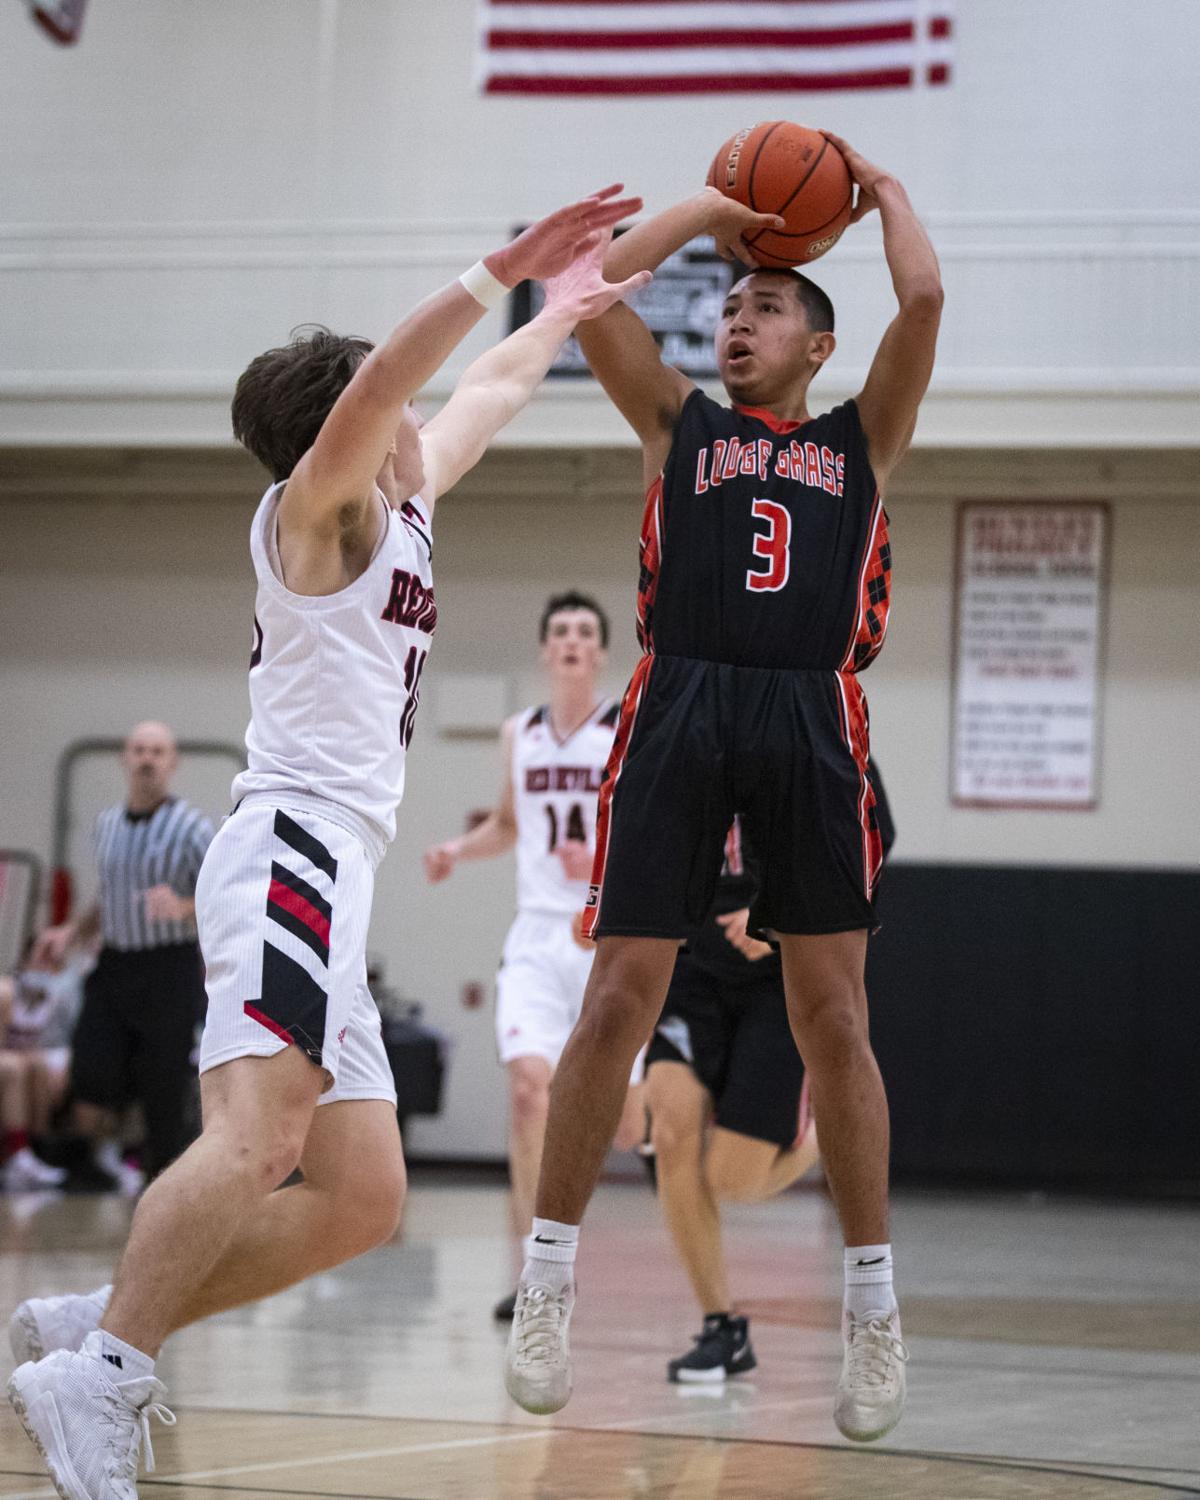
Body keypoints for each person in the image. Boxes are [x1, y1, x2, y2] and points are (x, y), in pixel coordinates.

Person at [7, 188, 650, 1499]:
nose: (420, 413)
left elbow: (490, 385)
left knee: (360, 1198)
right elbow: (391, 393)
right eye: (389, 403)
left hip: (336, 872)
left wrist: (562, 311)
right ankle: (103, 1375)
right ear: (347, 434)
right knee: (254, 1138)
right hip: (291, 849)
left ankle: (102, 1324)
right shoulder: (318, 517)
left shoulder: (407, 504)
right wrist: (494, 267)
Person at [504, 135, 941, 1446]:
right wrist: (713, 212)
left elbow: (920, 302)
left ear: (815, 346)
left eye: (767, 307)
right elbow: (582, 283)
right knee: (616, 999)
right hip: (680, 699)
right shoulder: (675, 423)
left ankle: (871, 1306)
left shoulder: (863, 436)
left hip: (814, 707)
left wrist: (885, 193)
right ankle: (545, 1283)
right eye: (732, 305)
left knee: (835, 1019)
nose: (739, 318)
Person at [423, 592, 644, 1320]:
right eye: (561, 632)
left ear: (602, 653)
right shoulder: (519, 732)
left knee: (631, 1125)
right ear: (546, 652)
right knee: (528, 1094)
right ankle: (536, 1276)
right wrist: (460, 847)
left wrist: (603, 862)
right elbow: (511, 824)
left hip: (608, 936)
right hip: (538, 938)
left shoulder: (626, 727)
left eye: (585, 632)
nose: (573, 642)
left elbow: (652, 827)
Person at [649, 765, 894, 1384]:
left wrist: (779, 919)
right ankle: (721, 1326)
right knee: (671, 1126)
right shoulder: (689, 719)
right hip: (692, 972)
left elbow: (871, 840)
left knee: (731, 1178)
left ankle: (819, 1135)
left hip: (779, 980)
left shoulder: (818, 723)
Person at [32, 722, 214, 1186]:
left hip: (167, 966)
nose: (147, 759)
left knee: (163, 1080)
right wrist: (69, 933)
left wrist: (183, 906)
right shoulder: (107, 823)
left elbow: (222, 892)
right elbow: (107, 896)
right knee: (91, 1062)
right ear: (124, 759)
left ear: (172, 763)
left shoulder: (192, 827)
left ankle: (164, 1175)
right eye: (139, 750)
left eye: (157, 751)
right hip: (115, 963)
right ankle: (86, 1162)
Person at [0, 958, 80, 1191]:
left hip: (31, 1058)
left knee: (37, 1064)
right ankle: (19, 1154)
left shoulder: (50, 992)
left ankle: (33, 1153)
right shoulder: (6, 991)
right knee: (16, 1067)